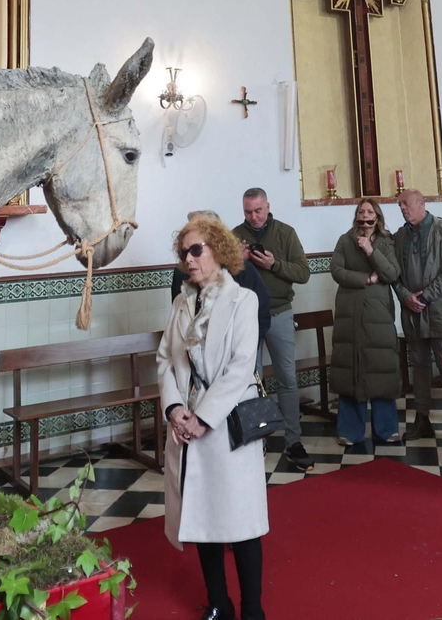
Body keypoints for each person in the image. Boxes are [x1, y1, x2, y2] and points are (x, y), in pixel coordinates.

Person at [158, 216, 268, 620]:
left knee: (241, 521)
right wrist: (175, 409)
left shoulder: (244, 300)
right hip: (187, 423)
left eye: (196, 250)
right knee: (201, 516)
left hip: (227, 423)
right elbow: (165, 360)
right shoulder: (181, 303)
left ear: (218, 251)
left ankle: (252, 608)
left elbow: (241, 368)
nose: (188, 259)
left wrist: (203, 418)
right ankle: (220, 602)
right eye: (183, 252)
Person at [233, 189, 312, 470]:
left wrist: (274, 264)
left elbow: (303, 273)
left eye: (258, 211)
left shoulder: (285, 233)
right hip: (246, 317)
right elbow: (221, 278)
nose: (253, 217)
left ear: (268, 206)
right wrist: (238, 261)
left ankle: (294, 441)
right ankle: (256, 440)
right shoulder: (234, 235)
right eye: (248, 212)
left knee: (287, 379)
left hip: (279, 313)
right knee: (249, 381)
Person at [394, 189, 442, 446]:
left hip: (439, 312)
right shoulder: (400, 236)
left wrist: (424, 297)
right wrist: (406, 297)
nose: (403, 208)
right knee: (419, 366)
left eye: (406, 203)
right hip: (412, 313)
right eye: (400, 205)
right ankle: (422, 419)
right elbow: (394, 274)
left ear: (422, 203)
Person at [329, 200, 401, 446]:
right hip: (349, 312)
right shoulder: (345, 240)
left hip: (378, 315)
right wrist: (366, 279)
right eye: (361, 211)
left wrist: (371, 250)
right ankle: (350, 431)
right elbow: (336, 270)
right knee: (350, 368)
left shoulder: (386, 242)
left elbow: (391, 273)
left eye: (370, 211)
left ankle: (386, 429)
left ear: (377, 217)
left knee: (382, 367)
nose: (365, 215)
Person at [171, 211, 270, 339]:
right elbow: (174, 331)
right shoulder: (181, 275)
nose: (189, 258)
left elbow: (262, 315)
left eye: (197, 248)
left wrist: (251, 342)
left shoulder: (244, 272)